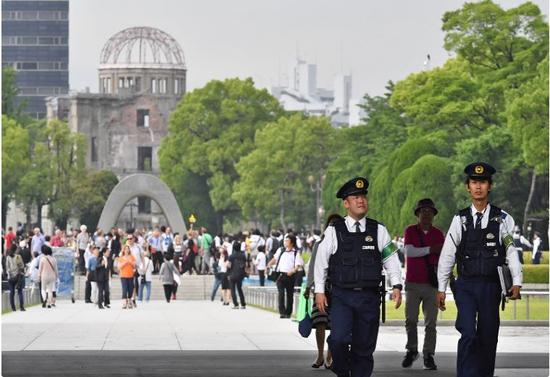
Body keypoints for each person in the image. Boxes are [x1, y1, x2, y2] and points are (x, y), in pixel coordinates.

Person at [437, 162, 522, 377]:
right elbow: (447, 255)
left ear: (490, 186)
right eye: (474, 182)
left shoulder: (503, 220)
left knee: (488, 335)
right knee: (468, 332)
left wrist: (517, 281)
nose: (478, 187)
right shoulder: (460, 219)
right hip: (465, 285)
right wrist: (441, 287)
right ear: (468, 187)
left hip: (491, 287)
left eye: (482, 182)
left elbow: (511, 251)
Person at [314, 177, 403, 377]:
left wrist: (396, 284)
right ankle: (343, 371)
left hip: (369, 298)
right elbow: (321, 262)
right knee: (338, 340)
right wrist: (319, 291)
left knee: (364, 348)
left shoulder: (379, 230)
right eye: (355, 197)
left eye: (363, 196)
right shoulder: (334, 230)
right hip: (342, 297)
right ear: (346, 203)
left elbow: (391, 259)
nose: (361, 200)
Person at [401, 198, 445, 370]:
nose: (426, 214)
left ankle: (428, 354)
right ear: (418, 214)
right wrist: (430, 249)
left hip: (432, 284)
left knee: (431, 323)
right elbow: (408, 251)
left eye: (429, 211)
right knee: (410, 320)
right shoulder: (410, 231)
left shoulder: (438, 233)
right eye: (423, 211)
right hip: (412, 283)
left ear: (433, 215)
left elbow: (443, 260)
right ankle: (412, 349)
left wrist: (443, 286)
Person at [305, 214, 343, 370]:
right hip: (322, 290)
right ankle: (320, 354)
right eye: (331, 224)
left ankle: (330, 355)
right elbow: (313, 266)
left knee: (336, 325)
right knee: (320, 322)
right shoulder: (319, 244)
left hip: (339, 290)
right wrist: (308, 287)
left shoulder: (345, 245)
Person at [268, 233, 304, 318]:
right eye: (285, 240)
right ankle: (282, 312)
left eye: (287, 240)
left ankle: (288, 313)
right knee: (281, 293)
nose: (285, 242)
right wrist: (268, 264)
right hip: (280, 275)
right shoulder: (281, 250)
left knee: (289, 294)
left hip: (290, 276)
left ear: (292, 242)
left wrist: (293, 271)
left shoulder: (296, 253)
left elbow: (298, 265)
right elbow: (275, 258)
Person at [6, 244, 26, 311]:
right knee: (20, 291)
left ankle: (13, 308)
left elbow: (7, 268)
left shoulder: (8, 257)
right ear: (15, 249)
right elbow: (22, 266)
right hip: (18, 276)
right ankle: (21, 307)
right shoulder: (18, 256)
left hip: (10, 277)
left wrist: (9, 274)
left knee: (12, 292)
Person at [228, 240, 247, 309]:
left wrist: (228, 272)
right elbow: (245, 265)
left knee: (233, 290)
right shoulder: (243, 255)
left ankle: (236, 304)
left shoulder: (231, 256)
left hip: (232, 274)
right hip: (240, 274)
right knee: (239, 289)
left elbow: (229, 265)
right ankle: (243, 304)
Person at [116, 244, 136, 309]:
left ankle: (129, 300)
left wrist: (130, 262)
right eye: (125, 249)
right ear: (123, 250)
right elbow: (119, 267)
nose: (127, 250)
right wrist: (125, 262)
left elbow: (134, 265)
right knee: (124, 289)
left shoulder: (132, 257)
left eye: (128, 249)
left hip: (130, 275)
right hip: (123, 275)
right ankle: (124, 302)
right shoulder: (121, 258)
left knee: (130, 289)